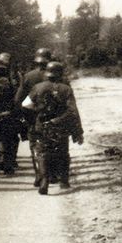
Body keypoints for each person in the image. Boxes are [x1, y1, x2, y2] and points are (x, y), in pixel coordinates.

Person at [25, 61, 83, 194]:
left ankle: (44, 179)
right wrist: (78, 132)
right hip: (60, 125)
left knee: (42, 153)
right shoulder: (66, 89)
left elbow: (26, 105)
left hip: (42, 125)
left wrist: (37, 112)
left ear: (47, 73)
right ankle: (63, 181)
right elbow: (73, 110)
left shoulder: (38, 87)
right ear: (60, 74)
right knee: (63, 153)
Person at [16, 48, 52, 187]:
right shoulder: (58, 76)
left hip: (33, 117)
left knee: (35, 147)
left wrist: (23, 117)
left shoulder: (28, 76)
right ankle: (52, 174)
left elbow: (19, 99)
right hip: (54, 117)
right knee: (53, 145)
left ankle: (39, 174)